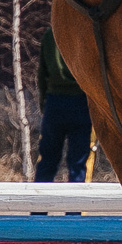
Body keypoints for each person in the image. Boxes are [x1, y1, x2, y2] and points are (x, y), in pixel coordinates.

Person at [32, 25, 91, 184]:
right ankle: (73, 208)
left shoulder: (50, 34)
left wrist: (44, 103)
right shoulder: (86, 32)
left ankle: (39, 207)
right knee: (78, 163)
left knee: (47, 160)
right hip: (81, 102)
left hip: (54, 101)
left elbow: (42, 74)